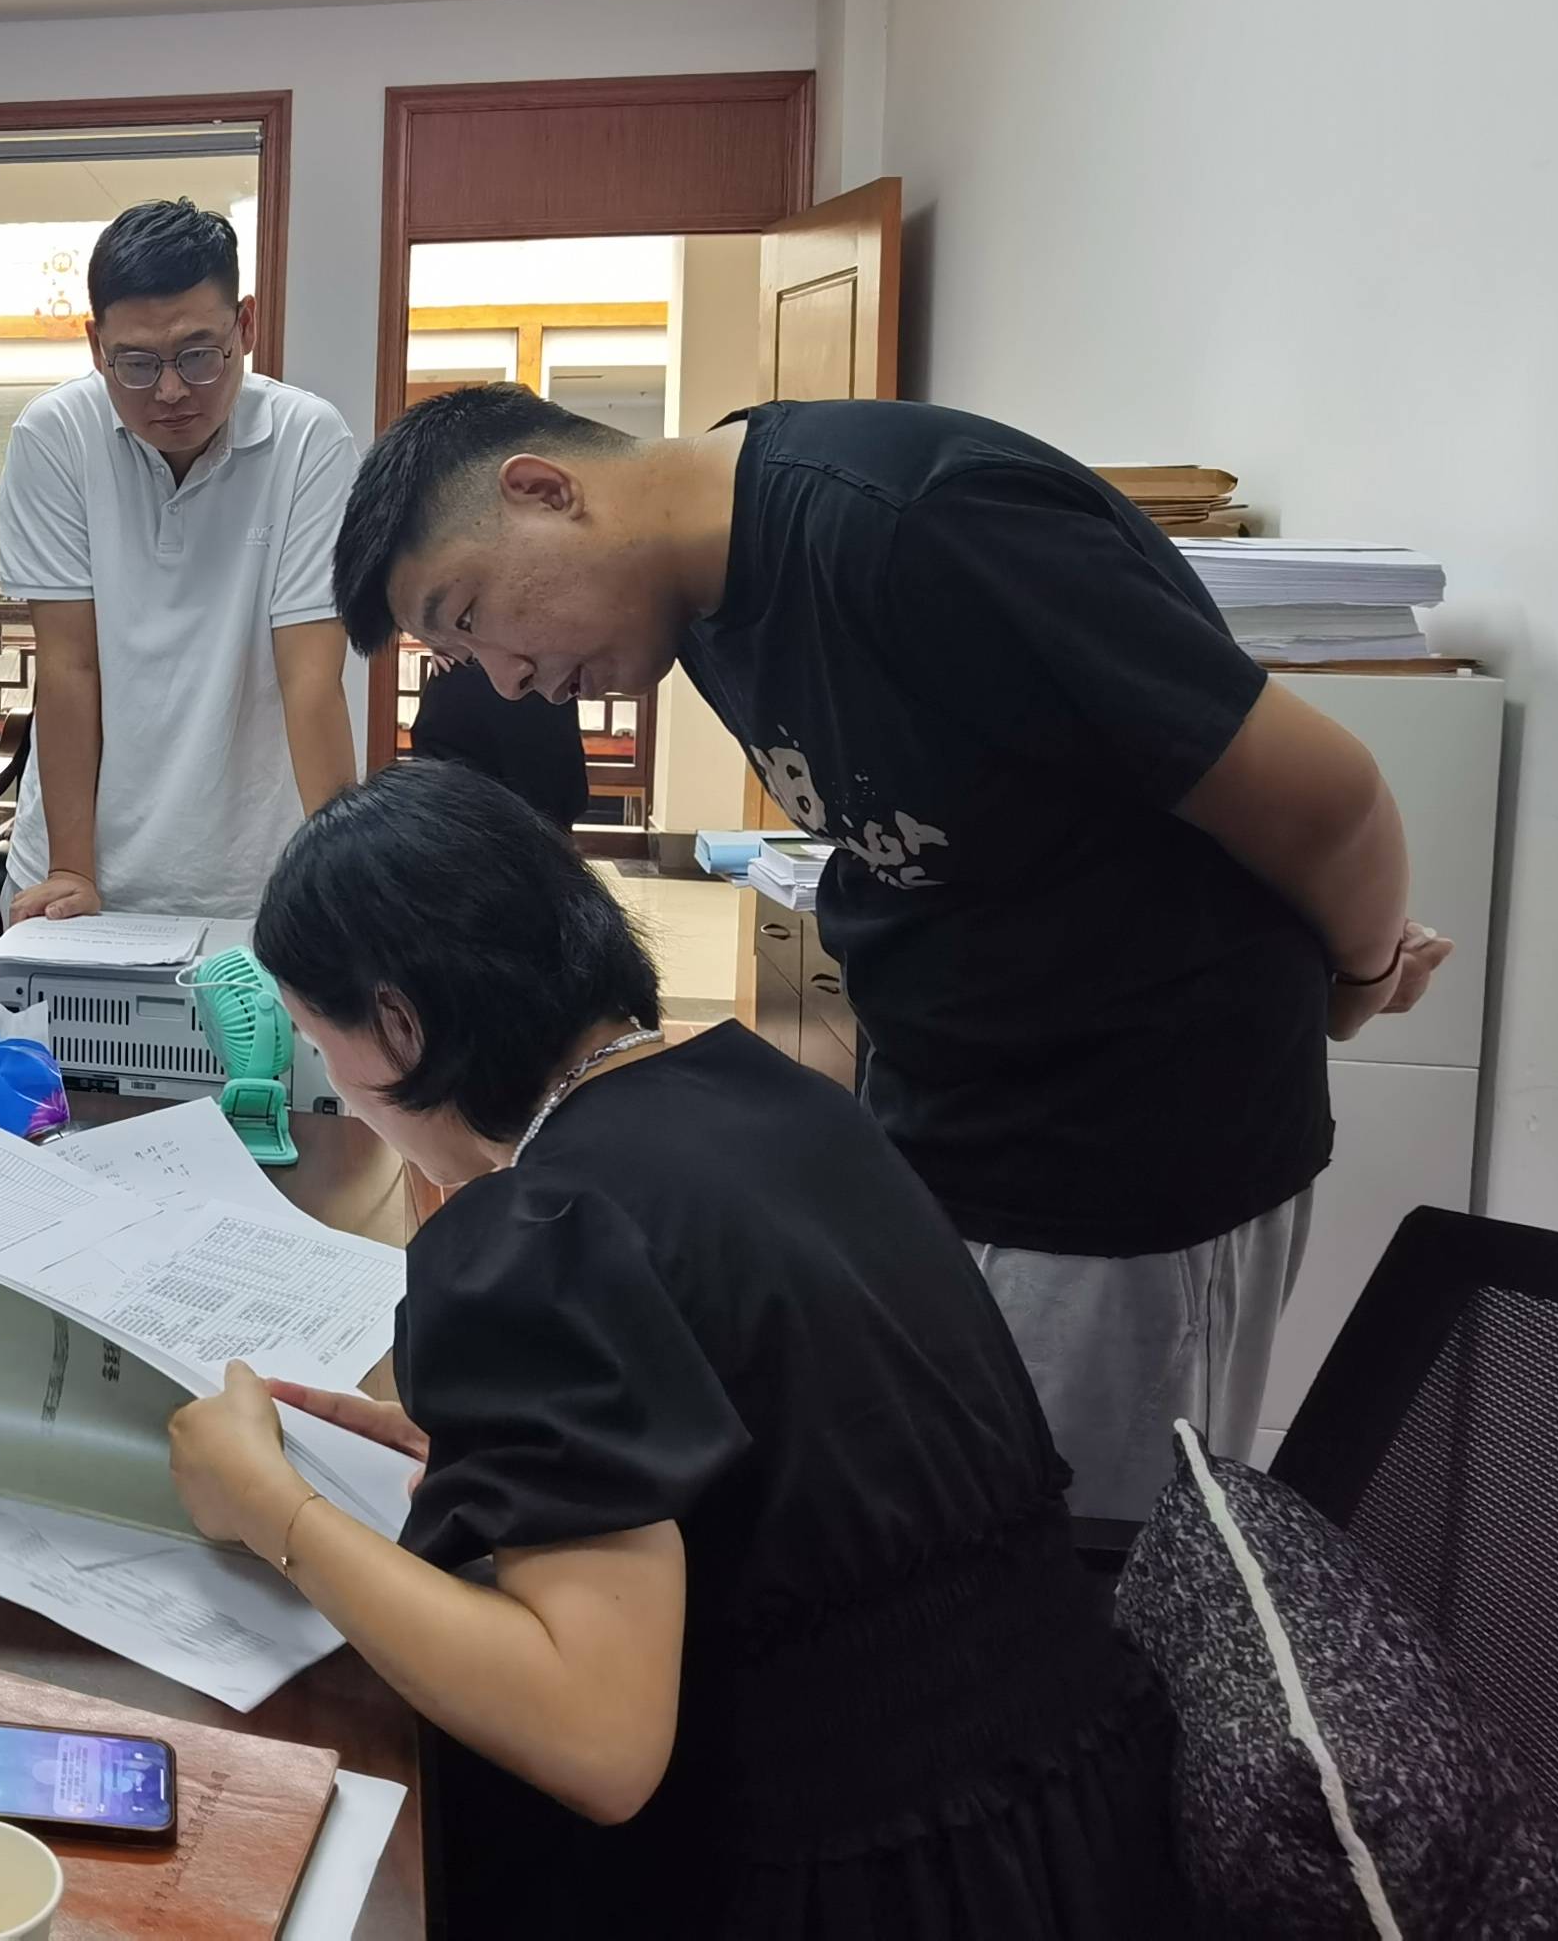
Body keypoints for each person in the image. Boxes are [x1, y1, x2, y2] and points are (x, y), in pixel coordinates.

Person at [328, 385, 1453, 1518]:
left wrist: (1356, 984)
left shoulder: (916, 524)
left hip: (1125, 1156)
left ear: (543, 490)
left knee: (1080, 1567)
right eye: (461, 656)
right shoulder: (698, 598)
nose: (508, 679)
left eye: (471, 616)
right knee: (933, 1518)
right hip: (947, 1128)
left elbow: (1329, 796)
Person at [165, 760, 1182, 1933]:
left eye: (316, 1038)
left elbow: (595, 1743)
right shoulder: (778, 1097)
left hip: (862, 1879)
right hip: (1074, 1824)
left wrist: (277, 1512)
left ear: (399, 1024)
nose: (336, 1085)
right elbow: (781, 1433)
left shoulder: (541, 1231)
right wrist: (520, 1459)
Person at [0, 198, 355, 923]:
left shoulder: (308, 442)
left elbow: (311, 679)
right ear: (95, 344)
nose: (169, 390)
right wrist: (71, 868)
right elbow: (70, 667)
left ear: (245, 326)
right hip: (78, 866)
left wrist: (341, 883)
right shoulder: (55, 437)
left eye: (197, 355)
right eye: (135, 363)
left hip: (259, 876)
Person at [407, 651, 589, 830]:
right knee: (450, 809)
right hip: (469, 675)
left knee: (545, 809)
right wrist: (438, 642)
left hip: (537, 679)